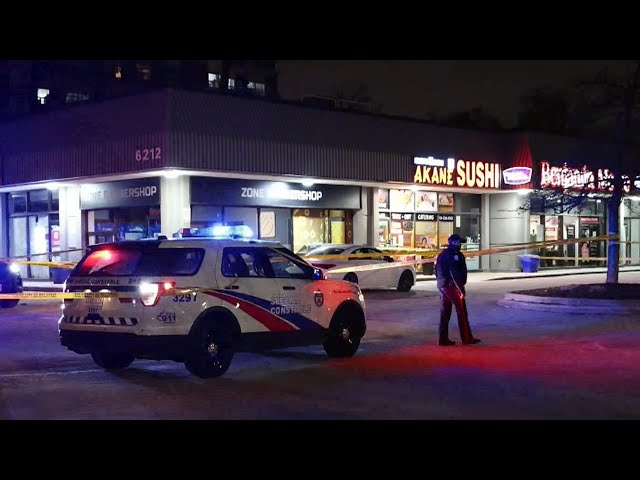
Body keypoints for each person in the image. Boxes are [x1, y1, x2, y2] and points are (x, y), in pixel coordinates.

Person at [434, 234, 481, 346]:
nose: (460, 244)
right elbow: (454, 273)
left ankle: (443, 339)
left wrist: (442, 285)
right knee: (462, 312)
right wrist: (459, 289)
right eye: (459, 242)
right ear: (455, 243)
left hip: (444, 286)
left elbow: (437, 271)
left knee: (445, 313)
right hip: (452, 287)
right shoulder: (454, 255)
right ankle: (466, 338)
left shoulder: (443, 254)